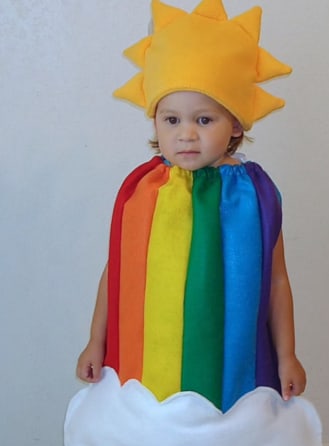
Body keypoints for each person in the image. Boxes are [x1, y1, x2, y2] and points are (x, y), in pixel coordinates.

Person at [74, 0, 306, 409]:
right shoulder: (143, 190)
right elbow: (118, 270)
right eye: (171, 119)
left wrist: (287, 356)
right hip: (149, 368)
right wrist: (96, 341)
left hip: (232, 371)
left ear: (235, 122)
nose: (186, 135)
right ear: (155, 120)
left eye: (203, 120)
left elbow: (277, 281)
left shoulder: (254, 194)